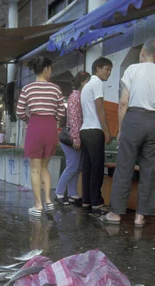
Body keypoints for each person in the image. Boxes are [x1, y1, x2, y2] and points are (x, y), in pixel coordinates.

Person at [104, 39, 155, 227]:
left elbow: (123, 102)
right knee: (148, 169)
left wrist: (121, 129)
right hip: (154, 121)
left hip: (133, 119)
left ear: (142, 53)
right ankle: (140, 216)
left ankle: (116, 213)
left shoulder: (132, 70)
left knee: (124, 167)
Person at [16, 57, 66, 217]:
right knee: (45, 167)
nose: (51, 72)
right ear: (45, 69)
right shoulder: (56, 89)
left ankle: (38, 205)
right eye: (50, 69)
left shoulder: (27, 89)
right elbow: (61, 111)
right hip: (51, 127)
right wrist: (53, 120)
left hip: (35, 126)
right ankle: (48, 201)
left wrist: (29, 120)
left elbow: (19, 111)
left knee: (35, 169)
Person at [79, 57, 113, 212]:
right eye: (107, 69)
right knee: (97, 168)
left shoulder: (86, 86)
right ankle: (97, 202)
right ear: (98, 68)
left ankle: (86, 200)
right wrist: (106, 130)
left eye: (110, 69)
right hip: (94, 131)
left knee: (87, 167)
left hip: (84, 131)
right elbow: (100, 107)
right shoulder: (97, 83)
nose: (109, 72)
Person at [54, 71, 91, 207]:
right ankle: (59, 193)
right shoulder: (75, 97)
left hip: (76, 136)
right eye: (87, 81)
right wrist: (76, 138)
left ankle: (72, 194)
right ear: (82, 82)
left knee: (77, 167)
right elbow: (74, 119)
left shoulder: (79, 96)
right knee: (72, 166)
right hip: (72, 137)